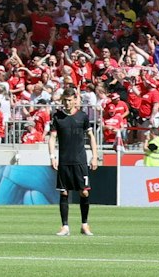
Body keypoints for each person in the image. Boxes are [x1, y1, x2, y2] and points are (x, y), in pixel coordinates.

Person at [49, 88, 98, 237]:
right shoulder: (57, 116)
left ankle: (84, 224)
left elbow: (91, 137)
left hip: (80, 160)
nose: (67, 103)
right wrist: (52, 156)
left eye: (70, 100)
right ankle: (65, 226)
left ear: (75, 100)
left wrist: (95, 156)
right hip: (64, 160)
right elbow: (52, 138)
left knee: (83, 192)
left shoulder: (82, 117)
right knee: (64, 193)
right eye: (65, 100)